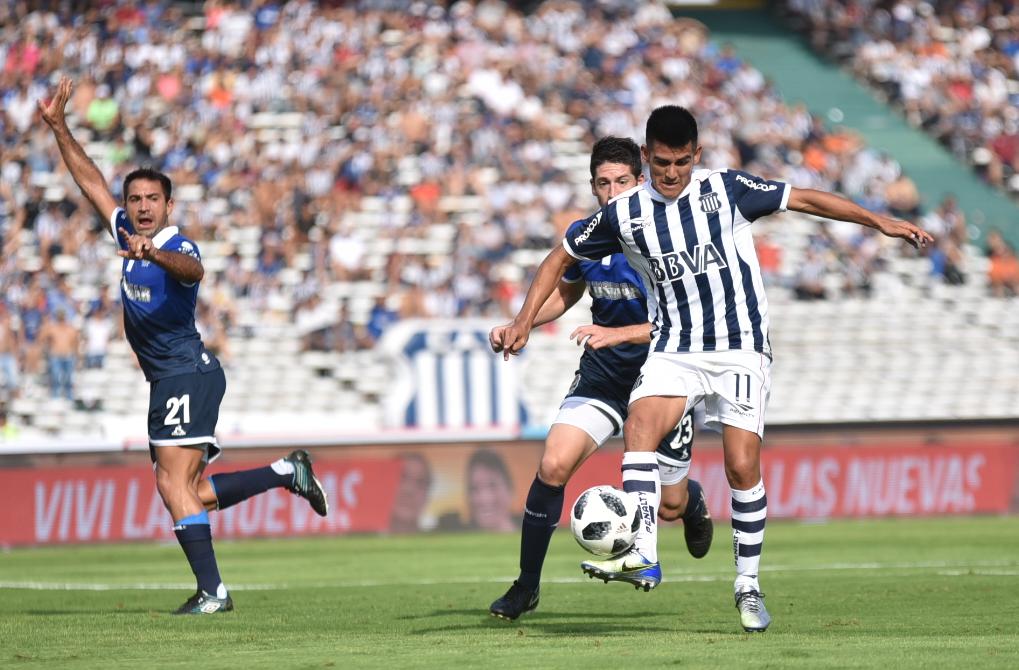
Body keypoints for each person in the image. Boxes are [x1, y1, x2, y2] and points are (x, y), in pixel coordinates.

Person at [493, 106, 933, 632]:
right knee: (633, 431)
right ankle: (641, 555)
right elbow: (558, 260)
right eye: (661, 164)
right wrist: (522, 321)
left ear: (696, 157)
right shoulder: (625, 215)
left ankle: (747, 585)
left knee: (740, 466)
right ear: (646, 158)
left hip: (739, 346)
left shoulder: (725, 190)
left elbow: (804, 197)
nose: (671, 173)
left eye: (681, 162)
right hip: (673, 349)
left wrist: (877, 220)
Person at [39, 76, 329, 615]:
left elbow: (193, 268)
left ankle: (214, 593)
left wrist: (153, 255)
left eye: (152, 199)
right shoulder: (127, 231)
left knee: (172, 483)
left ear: (169, 204)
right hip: (171, 377)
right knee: (187, 490)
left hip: (185, 372)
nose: (142, 207)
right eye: (135, 200)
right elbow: (91, 182)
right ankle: (286, 473)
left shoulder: (173, 244)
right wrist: (59, 127)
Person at [489, 137, 713, 622]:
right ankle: (526, 586)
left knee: (669, 506)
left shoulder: (668, 235)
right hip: (605, 377)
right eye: (603, 183)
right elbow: (566, 294)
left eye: (622, 182)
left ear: (642, 181)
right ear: (593, 187)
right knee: (552, 465)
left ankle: (691, 499)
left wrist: (618, 332)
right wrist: (520, 325)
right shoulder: (587, 237)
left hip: (664, 378)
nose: (612, 192)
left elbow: (691, 320)